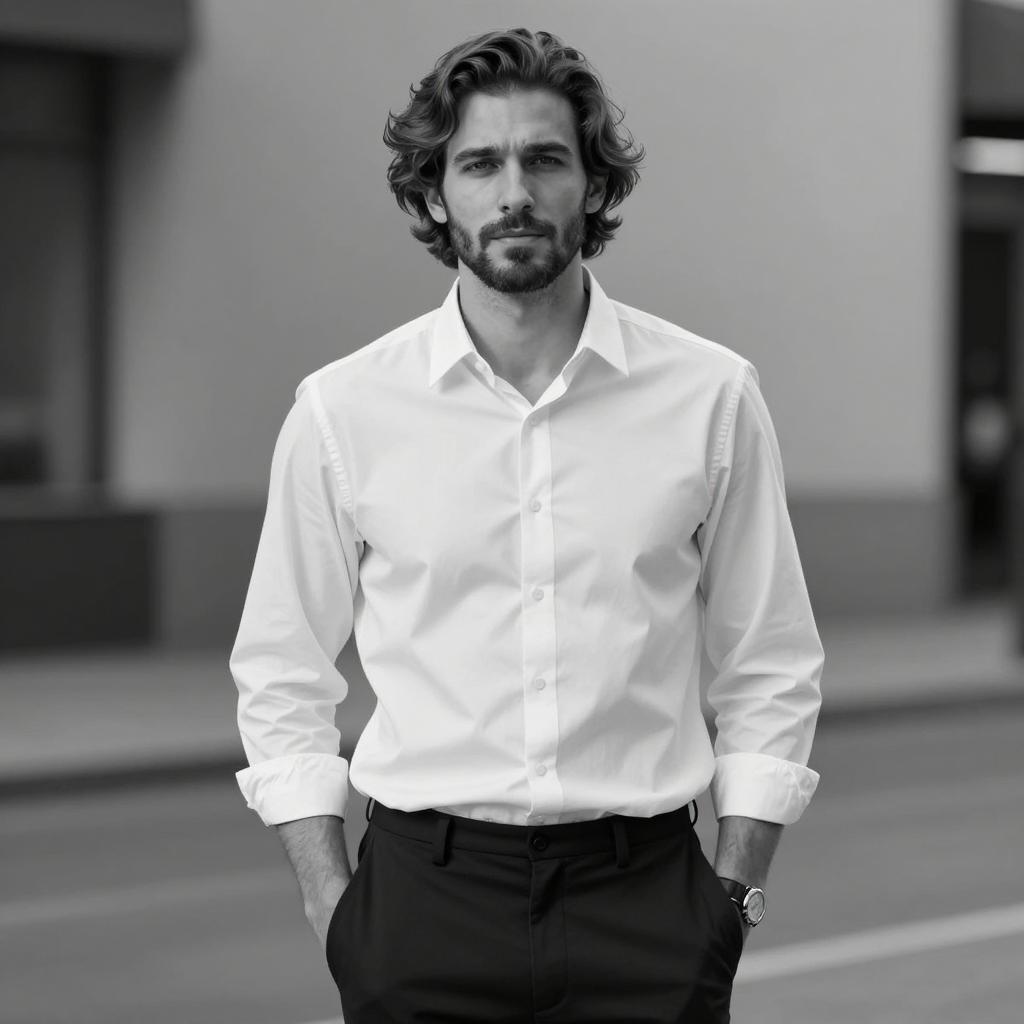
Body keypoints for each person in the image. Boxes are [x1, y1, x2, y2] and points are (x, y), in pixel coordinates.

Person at [230, 26, 823, 1024]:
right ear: (432, 195)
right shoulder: (343, 410)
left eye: (546, 159)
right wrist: (334, 903)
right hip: (424, 903)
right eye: (479, 163)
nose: (515, 191)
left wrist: (730, 895)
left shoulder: (709, 395)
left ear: (591, 187)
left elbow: (769, 661)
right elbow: (281, 673)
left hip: (648, 902)